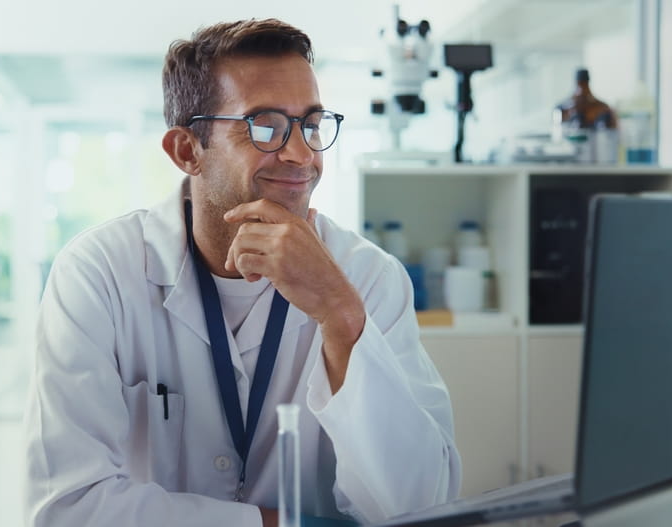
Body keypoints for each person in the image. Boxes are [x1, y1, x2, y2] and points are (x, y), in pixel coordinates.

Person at [24, 18, 461, 527]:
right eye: (265, 125)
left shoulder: (367, 279)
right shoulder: (99, 275)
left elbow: (423, 506)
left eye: (312, 125)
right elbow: (67, 509)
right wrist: (280, 524)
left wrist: (342, 319)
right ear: (187, 150)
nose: (302, 154)